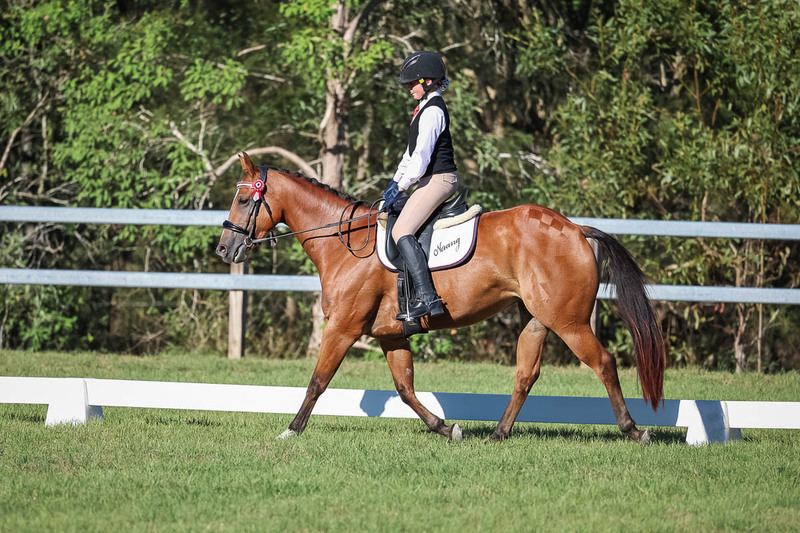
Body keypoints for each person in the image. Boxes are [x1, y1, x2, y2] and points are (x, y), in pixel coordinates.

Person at [382, 50, 459, 320]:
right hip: (428, 179)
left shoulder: (433, 110)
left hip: (440, 179)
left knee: (401, 230)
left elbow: (421, 159)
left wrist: (401, 187)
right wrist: (394, 182)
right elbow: (409, 155)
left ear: (428, 81)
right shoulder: (423, 108)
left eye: (412, 82)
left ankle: (427, 298)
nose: (409, 88)